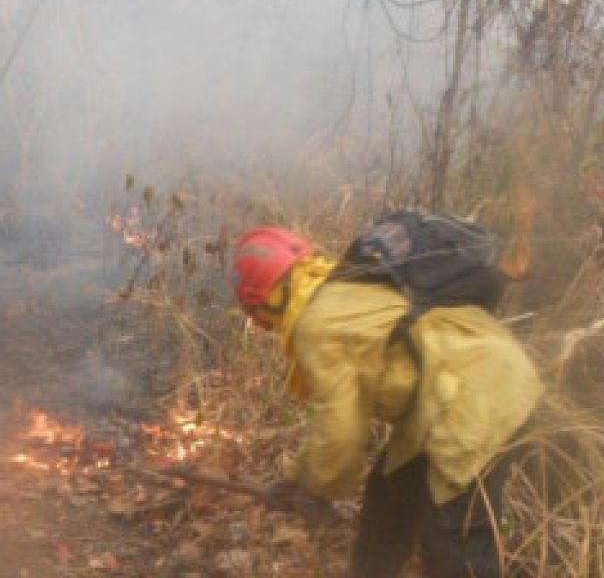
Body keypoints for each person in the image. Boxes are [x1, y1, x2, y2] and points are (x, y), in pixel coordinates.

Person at [232, 224, 544, 577]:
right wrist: (297, 478)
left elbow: (340, 430)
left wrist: (318, 489)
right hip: (453, 393)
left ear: (265, 301)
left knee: (454, 543)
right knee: (387, 501)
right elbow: (333, 419)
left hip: (478, 398)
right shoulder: (344, 290)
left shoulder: (316, 324)